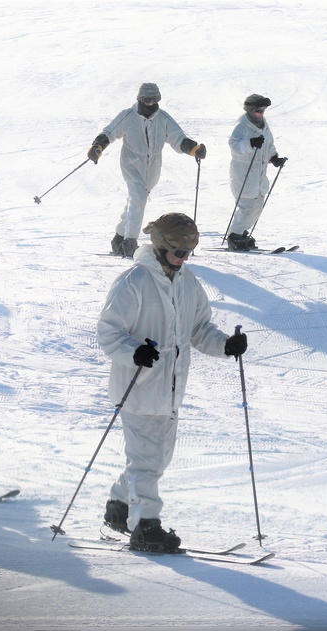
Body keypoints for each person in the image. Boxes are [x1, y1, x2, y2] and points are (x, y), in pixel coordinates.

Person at [96, 213, 248, 551]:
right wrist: (134, 351)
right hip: (137, 388)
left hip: (170, 392)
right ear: (162, 247)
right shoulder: (133, 281)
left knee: (156, 459)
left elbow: (199, 330)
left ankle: (120, 507)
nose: (183, 260)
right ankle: (145, 526)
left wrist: (225, 345)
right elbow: (108, 331)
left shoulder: (188, 283)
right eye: (178, 253)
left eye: (187, 254)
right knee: (147, 461)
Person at [86, 83, 207, 257]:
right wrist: (98, 147)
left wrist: (194, 149)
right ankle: (130, 242)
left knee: (135, 200)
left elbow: (178, 138)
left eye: (155, 99)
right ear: (140, 99)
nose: (151, 104)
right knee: (139, 197)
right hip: (131, 163)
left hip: (153, 167)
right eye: (147, 100)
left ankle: (119, 238)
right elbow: (109, 133)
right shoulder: (127, 116)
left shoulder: (163, 118)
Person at [226, 94, 287, 251]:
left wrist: (274, 158)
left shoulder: (264, 125)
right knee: (246, 207)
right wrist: (250, 143)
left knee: (258, 206)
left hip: (259, 175)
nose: (262, 113)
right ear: (250, 110)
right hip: (244, 174)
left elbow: (269, 144)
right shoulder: (242, 125)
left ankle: (242, 234)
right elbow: (233, 145)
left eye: (263, 110)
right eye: (259, 111)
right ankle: (234, 236)